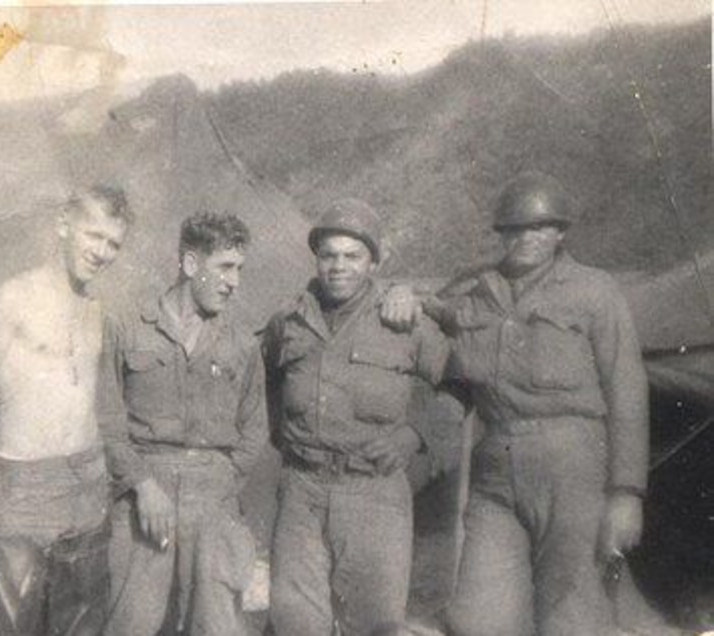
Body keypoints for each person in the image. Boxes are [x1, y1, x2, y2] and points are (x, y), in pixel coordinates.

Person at [383, 171, 649, 636]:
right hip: (497, 463)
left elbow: (627, 391)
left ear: (561, 232)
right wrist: (403, 293)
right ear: (500, 236)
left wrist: (627, 492)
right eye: (514, 229)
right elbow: (435, 310)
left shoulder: (594, 291)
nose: (526, 238)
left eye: (540, 227)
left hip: (572, 462)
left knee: (572, 610)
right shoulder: (479, 290)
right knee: (478, 614)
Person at [262, 198, 454, 636]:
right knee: (295, 623)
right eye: (328, 255)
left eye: (353, 256)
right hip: (302, 492)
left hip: (373, 493)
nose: (338, 267)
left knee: (374, 626)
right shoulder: (288, 321)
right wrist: (288, 438)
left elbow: (459, 384)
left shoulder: (404, 321)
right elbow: (265, 380)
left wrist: (415, 435)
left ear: (374, 262)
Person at [0, 185, 132, 635]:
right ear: (64, 224)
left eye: (113, 243)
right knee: (10, 625)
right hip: (23, 490)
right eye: (94, 235)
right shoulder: (12, 299)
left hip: (87, 485)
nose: (103, 252)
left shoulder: (96, 309)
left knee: (82, 625)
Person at [98, 212, 268, 636]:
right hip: (144, 494)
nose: (234, 282)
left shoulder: (241, 344)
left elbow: (254, 428)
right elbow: (106, 416)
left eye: (239, 269)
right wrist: (141, 483)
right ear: (191, 265)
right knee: (130, 623)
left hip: (214, 498)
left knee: (215, 625)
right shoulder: (129, 328)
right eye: (224, 268)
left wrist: (223, 483)